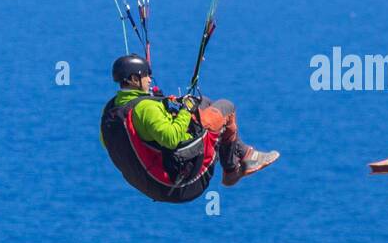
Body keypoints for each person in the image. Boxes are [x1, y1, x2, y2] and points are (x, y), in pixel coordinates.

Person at [100, 54, 279, 204]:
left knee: (204, 103)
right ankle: (231, 170)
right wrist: (185, 111)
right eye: (146, 74)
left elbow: (115, 140)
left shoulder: (112, 109)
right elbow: (172, 140)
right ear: (133, 79)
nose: (149, 78)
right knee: (226, 107)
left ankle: (244, 154)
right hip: (181, 184)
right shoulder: (145, 108)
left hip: (148, 183)